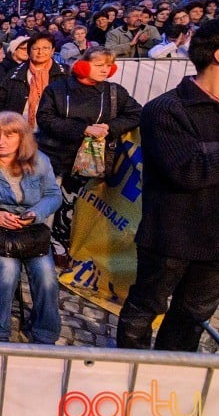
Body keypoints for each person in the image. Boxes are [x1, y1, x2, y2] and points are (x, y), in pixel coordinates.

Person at [118, 19, 219, 351]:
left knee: (191, 320)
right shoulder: (165, 110)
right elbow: (189, 171)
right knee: (143, 311)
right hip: (170, 239)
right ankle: (129, 377)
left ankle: (168, 388)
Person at [0, 112, 63, 344]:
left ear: (22, 138)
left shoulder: (40, 161)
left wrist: (35, 214)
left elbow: (53, 195)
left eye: (9, 135)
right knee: (7, 269)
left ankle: (45, 333)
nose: (0, 141)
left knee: (46, 275)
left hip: (28, 230)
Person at [36, 46, 142, 260]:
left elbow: (136, 113)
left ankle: (67, 244)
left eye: (108, 65)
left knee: (77, 208)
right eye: (99, 65)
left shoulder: (114, 92)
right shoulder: (57, 89)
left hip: (91, 161)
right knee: (53, 204)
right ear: (83, 65)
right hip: (57, 157)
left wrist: (109, 127)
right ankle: (50, 244)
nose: (105, 70)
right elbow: (46, 119)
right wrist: (83, 129)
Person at [0, 33, 66, 127]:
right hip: (20, 129)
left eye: (45, 48)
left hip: (55, 132)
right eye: (36, 48)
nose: (40, 52)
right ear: (29, 51)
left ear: (52, 50)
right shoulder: (13, 74)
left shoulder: (65, 74)